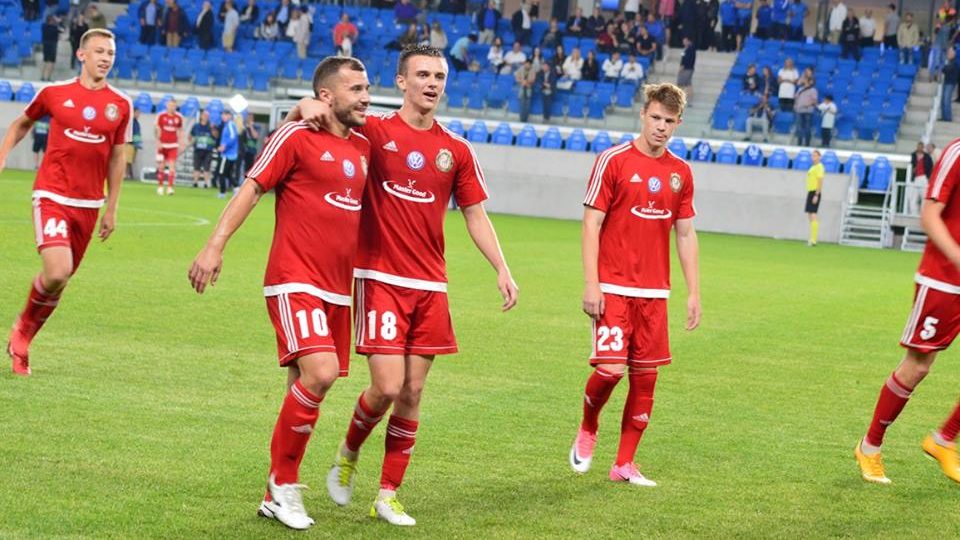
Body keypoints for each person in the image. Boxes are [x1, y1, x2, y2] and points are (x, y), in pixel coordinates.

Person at [286, 44, 519, 526]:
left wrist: (501, 267)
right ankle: (350, 450)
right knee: (387, 385)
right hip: (379, 277)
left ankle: (388, 494)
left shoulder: (456, 149)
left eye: (439, 76)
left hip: (430, 283)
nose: (432, 84)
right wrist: (305, 104)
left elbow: (475, 214)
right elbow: (323, 113)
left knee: (412, 392)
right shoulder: (373, 131)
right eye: (423, 75)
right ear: (401, 82)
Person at [189, 56, 372, 531]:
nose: (366, 97)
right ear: (327, 95)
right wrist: (214, 245)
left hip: (339, 289)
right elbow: (252, 189)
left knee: (304, 387)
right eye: (355, 89)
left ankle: (275, 494)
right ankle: (284, 484)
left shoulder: (363, 147)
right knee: (321, 372)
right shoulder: (295, 136)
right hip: (295, 278)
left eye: (367, 88)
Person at [569, 82, 700, 487]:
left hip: (654, 293)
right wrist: (592, 284)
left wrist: (693, 291)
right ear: (643, 115)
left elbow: (685, 233)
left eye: (669, 121)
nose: (661, 126)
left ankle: (624, 464)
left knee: (645, 380)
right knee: (610, 371)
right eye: (655, 117)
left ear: (678, 124)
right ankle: (589, 425)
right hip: (612, 288)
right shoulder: (613, 161)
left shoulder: (681, 172)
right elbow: (591, 224)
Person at [1, 28, 131, 377]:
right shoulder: (54, 93)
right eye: (99, 51)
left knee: (61, 278)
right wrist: (2, 154)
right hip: (52, 194)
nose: (106, 58)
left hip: (89, 203)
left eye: (111, 53)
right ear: (81, 55)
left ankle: (23, 335)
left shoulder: (121, 105)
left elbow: (117, 157)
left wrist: (112, 207)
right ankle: (22, 332)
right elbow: (21, 124)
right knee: (57, 270)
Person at [854, 137, 960, 486]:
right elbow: (930, 216)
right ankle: (869, 447)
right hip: (943, 281)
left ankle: (944, 440)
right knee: (918, 366)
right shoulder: (957, 152)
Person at [155, 98, 184, 196]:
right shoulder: (161, 116)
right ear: (167, 105)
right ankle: (160, 186)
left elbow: (180, 130)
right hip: (162, 144)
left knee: (172, 166)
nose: (172, 107)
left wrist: (181, 143)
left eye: (174, 106)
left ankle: (170, 187)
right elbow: (158, 129)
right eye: (170, 105)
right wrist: (158, 141)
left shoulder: (178, 117)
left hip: (173, 145)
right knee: (161, 166)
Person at [215, 109, 239, 199]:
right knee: (228, 173)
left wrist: (224, 146)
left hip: (227, 154)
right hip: (230, 154)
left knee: (221, 173)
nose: (223, 116)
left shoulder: (230, 125)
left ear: (229, 116)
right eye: (222, 115)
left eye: (225, 115)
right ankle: (236, 188)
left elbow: (233, 137)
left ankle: (222, 193)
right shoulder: (227, 125)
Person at [905, 142, 933, 215]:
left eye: (921, 147)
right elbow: (910, 165)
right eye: (918, 147)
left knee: (924, 196)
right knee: (913, 196)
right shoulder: (913, 155)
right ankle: (913, 213)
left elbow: (930, 167)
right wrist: (913, 170)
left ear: (923, 148)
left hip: (924, 177)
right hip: (915, 178)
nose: (919, 148)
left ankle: (923, 213)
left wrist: (929, 178)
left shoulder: (927, 157)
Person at [190, 110, 215, 188]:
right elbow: (190, 135)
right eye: (204, 115)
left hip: (208, 150)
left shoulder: (211, 127)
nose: (205, 117)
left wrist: (213, 129)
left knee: (206, 167)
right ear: (201, 116)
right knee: (196, 167)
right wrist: (192, 141)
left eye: (207, 116)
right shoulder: (196, 126)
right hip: (198, 149)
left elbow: (215, 136)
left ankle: (206, 183)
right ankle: (195, 183)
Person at [803, 150, 824, 246]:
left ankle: (814, 240)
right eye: (812, 155)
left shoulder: (819, 167)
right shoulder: (813, 167)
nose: (813, 157)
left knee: (813, 214)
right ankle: (811, 238)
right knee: (810, 215)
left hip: (815, 192)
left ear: (819, 157)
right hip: (810, 191)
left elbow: (820, 181)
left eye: (815, 155)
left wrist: (816, 194)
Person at [793, 76, 817, 146]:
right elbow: (796, 98)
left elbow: (814, 101)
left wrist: (807, 104)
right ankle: (799, 143)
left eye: (805, 80)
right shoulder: (800, 89)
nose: (803, 80)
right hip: (799, 110)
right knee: (799, 127)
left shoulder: (813, 90)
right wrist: (795, 105)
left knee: (807, 127)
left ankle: (807, 143)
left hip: (808, 111)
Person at [239, 114, 261, 181]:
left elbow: (255, 136)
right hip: (243, 151)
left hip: (251, 151)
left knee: (249, 169)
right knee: (241, 168)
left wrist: (251, 126)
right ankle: (241, 182)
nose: (249, 119)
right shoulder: (244, 127)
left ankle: (247, 181)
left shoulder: (256, 126)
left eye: (250, 118)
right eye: (248, 118)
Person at [125, 108, 142, 180]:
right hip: (129, 143)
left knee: (130, 160)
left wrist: (138, 143)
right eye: (137, 113)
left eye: (139, 113)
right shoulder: (130, 122)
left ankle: (128, 174)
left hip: (134, 144)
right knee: (126, 160)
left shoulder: (136, 122)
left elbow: (137, 134)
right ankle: (124, 174)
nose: (138, 115)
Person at [942, 48, 957, 122]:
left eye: (949, 53)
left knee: (946, 100)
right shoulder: (949, 62)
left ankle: (948, 117)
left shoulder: (954, 62)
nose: (948, 54)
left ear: (953, 54)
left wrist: (945, 67)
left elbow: (946, 70)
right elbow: (944, 69)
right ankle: (944, 117)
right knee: (943, 100)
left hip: (950, 83)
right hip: (947, 82)